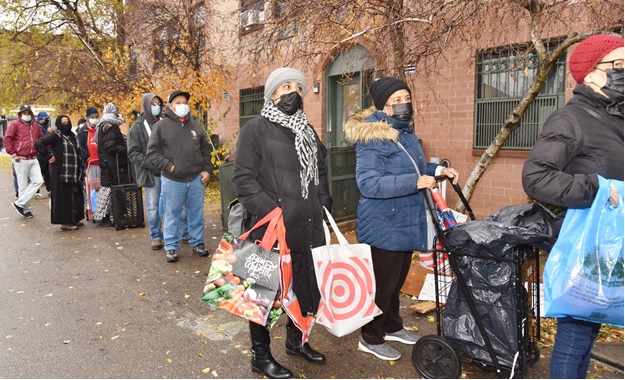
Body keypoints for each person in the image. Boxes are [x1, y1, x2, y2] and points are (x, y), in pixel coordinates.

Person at [522, 34, 624, 379]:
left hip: (612, 242)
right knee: (576, 334)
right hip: (585, 241)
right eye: (619, 65)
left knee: (588, 331)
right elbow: (536, 177)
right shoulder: (571, 119)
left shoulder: (615, 118)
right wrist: (595, 187)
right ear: (591, 74)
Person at [343, 77, 459, 361]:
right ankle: (371, 337)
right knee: (382, 285)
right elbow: (368, 183)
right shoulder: (374, 136)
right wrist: (415, 182)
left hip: (405, 220)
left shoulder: (404, 132)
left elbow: (416, 167)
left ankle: (392, 326)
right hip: (384, 223)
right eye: (396, 99)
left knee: (396, 282)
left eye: (406, 97)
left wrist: (438, 171)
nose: (403, 103)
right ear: (384, 105)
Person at [232, 68, 332, 379]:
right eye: (285, 86)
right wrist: (272, 211)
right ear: (272, 94)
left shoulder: (308, 131)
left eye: (298, 87)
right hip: (270, 226)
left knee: (304, 284)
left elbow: (321, 171)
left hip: (307, 225)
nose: (293, 92)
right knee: (261, 292)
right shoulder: (255, 129)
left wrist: (324, 201)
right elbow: (243, 179)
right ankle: (260, 356)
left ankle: (296, 340)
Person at [147, 91, 212, 262]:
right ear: (170, 106)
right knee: (172, 214)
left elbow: (206, 150)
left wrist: (207, 170)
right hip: (173, 180)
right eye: (178, 102)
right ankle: (171, 246)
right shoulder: (161, 127)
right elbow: (153, 152)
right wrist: (170, 166)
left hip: (196, 179)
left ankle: (197, 242)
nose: (182, 105)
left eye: (185, 102)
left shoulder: (196, 126)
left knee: (196, 213)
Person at [128, 93, 165, 249]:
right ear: (146, 105)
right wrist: (151, 164)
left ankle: (177, 232)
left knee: (173, 204)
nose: (156, 107)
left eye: (158, 104)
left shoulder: (165, 123)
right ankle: (156, 236)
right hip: (151, 174)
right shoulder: (137, 127)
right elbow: (133, 152)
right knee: (153, 206)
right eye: (153, 104)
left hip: (168, 171)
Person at [35, 115, 86, 231]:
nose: (66, 123)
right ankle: (65, 222)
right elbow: (39, 143)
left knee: (74, 194)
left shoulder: (72, 136)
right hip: (60, 171)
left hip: (73, 171)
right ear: (58, 124)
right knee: (64, 197)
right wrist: (48, 156)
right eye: (63, 122)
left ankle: (74, 218)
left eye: (67, 121)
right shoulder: (55, 136)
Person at [93, 102, 132, 227]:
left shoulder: (103, 125)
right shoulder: (110, 126)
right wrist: (125, 149)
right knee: (109, 191)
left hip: (108, 164)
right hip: (112, 164)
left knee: (108, 190)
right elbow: (110, 147)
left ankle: (108, 215)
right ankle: (104, 217)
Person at [4, 104, 45, 218]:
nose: (26, 115)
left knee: (38, 181)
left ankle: (19, 203)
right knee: (22, 185)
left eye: (28, 113)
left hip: (33, 157)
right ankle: (26, 209)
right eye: (24, 113)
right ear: (20, 114)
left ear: (31, 114)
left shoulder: (35, 126)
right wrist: (13, 154)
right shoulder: (15, 124)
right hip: (20, 158)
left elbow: (42, 138)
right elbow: (7, 139)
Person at [35, 111, 53, 196]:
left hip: (47, 152)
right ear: (41, 120)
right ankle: (36, 191)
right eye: (45, 119)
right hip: (40, 153)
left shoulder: (45, 127)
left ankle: (49, 188)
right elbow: (43, 139)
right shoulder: (39, 127)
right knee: (40, 172)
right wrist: (49, 133)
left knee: (47, 172)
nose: (47, 120)